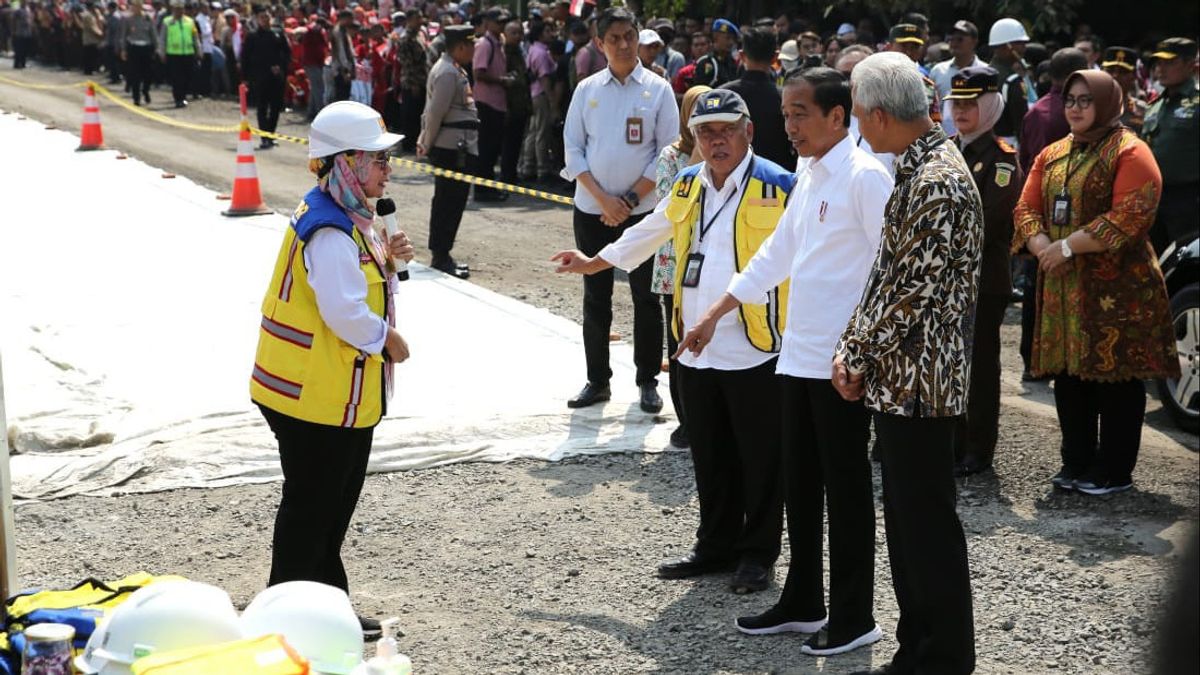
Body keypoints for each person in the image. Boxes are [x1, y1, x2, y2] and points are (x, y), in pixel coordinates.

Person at [681, 67, 891, 655]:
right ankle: (804, 600)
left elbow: (888, 269)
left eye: (800, 113)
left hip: (842, 365)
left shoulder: (865, 177)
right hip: (797, 358)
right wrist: (717, 310)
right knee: (801, 486)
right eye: (785, 112)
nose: (788, 124)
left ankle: (854, 617)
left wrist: (862, 350)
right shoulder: (811, 172)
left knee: (846, 493)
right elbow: (779, 253)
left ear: (837, 116)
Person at [554, 89, 793, 595]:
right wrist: (593, 261)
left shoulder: (780, 186)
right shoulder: (687, 184)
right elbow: (649, 232)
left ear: (748, 130)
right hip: (695, 345)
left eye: (727, 129)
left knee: (760, 457)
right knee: (709, 451)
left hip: (756, 344)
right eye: (706, 132)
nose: (716, 140)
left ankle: (757, 553)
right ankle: (715, 544)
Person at [837, 52, 981, 675]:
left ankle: (943, 657)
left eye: (860, 118)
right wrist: (853, 347)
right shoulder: (917, 168)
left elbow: (907, 291)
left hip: (921, 380)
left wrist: (857, 351)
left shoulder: (936, 180)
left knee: (924, 527)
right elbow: (885, 274)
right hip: (902, 379)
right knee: (905, 522)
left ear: (878, 113)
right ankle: (917, 647)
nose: (859, 132)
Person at [250, 100, 412, 638]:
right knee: (311, 512)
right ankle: (289, 620)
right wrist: (385, 339)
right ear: (347, 163)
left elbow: (359, 280)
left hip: (326, 392)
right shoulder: (329, 226)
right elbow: (343, 309)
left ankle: (325, 609)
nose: (388, 169)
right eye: (378, 159)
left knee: (326, 510)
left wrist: (390, 260)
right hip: (311, 395)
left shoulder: (345, 212)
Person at [1014, 69, 1179, 495]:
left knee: (1116, 379)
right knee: (1070, 376)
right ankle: (1077, 461)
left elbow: (1132, 212)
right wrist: (1042, 246)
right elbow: (1026, 207)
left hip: (1117, 290)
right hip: (1063, 286)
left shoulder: (1130, 150)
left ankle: (1114, 471)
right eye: (1070, 99)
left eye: (1086, 100)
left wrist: (1065, 247)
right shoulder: (1053, 153)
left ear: (1106, 102)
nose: (1075, 107)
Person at [559, 7, 678, 413]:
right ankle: (598, 380)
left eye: (630, 35)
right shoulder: (587, 89)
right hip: (592, 208)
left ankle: (647, 379)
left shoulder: (658, 89)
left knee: (646, 297)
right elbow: (573, 148)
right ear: (600, 44)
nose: (624, 44)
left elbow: (667, 153)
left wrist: (627, 201)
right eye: (615, 38)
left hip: (641, 212)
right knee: (597, 296)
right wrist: (602, 198)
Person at [944, 67, 1022, 476]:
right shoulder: (945, 149)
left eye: (971, 103)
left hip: (983, 280)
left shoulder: (1002, 160)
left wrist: (938, 237)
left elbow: (989, 220)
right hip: (946, 279)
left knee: (980, 366)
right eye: (956, 103)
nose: (961, 111)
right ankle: (953, 440)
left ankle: (978, 446)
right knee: (950, 361)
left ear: (990, 105)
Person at [1016, 47, 1089, 380]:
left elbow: (1025, 161)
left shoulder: (1038, 113)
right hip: (1074, 218)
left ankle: (1034, 359)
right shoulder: (1089, 112)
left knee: (1038, 285)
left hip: (1041, 216)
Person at [650, 84, 711, 451]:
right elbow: (667, 205)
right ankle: (686, 421)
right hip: (675, 264)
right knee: (678, 346)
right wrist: (695, 161)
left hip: (712, 267)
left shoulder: (729, 155)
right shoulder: (671, 156)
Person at [417, 24, 477, 280]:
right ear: (461, 46)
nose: (474, 50)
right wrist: (425, 142)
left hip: (460, 147)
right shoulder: (446, 73)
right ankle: (440, 255)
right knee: (447, 202)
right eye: (471, 45)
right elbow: (434, 113)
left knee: (454, 202)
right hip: (451, 149)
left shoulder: (454, 70)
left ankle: (444, 253)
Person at [1142, 38, 1199, 254]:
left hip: (1187, 200)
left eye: (1169, 62)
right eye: (1158, 63)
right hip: (1153, 198)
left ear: (1190, 65)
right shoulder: (1155, 105)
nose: (1160, 68)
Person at [721, 27, 791, 170]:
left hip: (731, 176)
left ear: (741, 55)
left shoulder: (724, 95)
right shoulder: (785, 98)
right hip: (777, 179)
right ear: (775, 57)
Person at [471, 7, 509, 202]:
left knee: (493, 149)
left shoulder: (499, 42)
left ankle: (488, 187)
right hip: (486, 103)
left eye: (504, 22)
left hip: (497, 103)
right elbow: (479, 73)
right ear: (488, 22)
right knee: (486, 149)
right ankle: (482, 190)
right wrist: (502, 80)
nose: (502, 25)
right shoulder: (485, 44)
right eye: (498, 21)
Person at [241, 8, 289, 149]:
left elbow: (286, 52)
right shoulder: (252, 36)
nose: (265, 20)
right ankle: (264, 137)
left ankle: (271, 135)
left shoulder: (278, 33)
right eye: (262, 17)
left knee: (275, 107)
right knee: (262, 107)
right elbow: (245, 58)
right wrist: (245, 77)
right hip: (259, 78)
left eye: (267, 17)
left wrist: (280, 66)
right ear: (257, 19)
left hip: (276, 77)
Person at [928, 20, 984, 135]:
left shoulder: (985, 72)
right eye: (951, 38)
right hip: (944, 142)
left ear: (974, 42)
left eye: (960, 39)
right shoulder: (938, 71)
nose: (954, 42)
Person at [521, 19, 557, 183]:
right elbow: (544, 78)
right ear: (540, 34)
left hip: (533, 94)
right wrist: (551, 99)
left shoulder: (533, 50)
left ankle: (528, 165)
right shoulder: (541, 53)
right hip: (541, 94)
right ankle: (542, 168)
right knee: (542, 132)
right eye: (548, 31)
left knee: (534, 131)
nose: (552, 34)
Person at [986, 17, 1031, 147]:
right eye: (1020, 43)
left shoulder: (983, 74)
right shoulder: (1012, 81)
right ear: (1007, 46)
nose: (1024, 48)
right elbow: (1021, 124)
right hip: (1009, 146)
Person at [394, 9, 430, 150]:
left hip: (422, 80)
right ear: (409, 20)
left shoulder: (420, 35)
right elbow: (407, 63)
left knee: (419, 113)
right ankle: (408, 144)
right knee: (410, 114)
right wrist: (414, 83)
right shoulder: (405, 38)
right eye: (417, 18)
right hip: (411, 82)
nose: (420, 21)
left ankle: (417, 141)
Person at [158, 0, 199, 108]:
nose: (179, 11)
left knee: (187, 77)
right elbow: (162, 38)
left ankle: (183, 96)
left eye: (181, 9)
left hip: (188, 53)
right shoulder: (167, 22)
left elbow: (195, 37)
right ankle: (178, 98)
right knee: (177, 78)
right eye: (176, 9)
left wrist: (199, 50)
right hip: (173, 54)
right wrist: (162, 53)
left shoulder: (190, 21)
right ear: (173, 9)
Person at [118, 0, 156, 105]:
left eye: (137, 6)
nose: (135, 8)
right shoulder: (128, 19)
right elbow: (124, 36)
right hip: (134, 48)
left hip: (146, 48)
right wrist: (123, 50)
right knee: (135, 74)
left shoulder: (148, 18)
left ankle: (145, 90)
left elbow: (153, 34)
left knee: (148, 74)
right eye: (134, 6)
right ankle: (136, 97)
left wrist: (156, 48)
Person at [1101, 46, 1146, 132]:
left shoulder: (1143, 110)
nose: (1115, 76)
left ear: (1134, 76)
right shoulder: (1090, 107)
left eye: (1123, 72)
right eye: (1110, 70)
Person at [694, 18, 738, 88]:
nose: (731, 42)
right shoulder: (707, 62)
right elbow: (700, 92)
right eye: (728, 38)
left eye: (733, 39)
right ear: (716, 37)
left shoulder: (732, 62)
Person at [300, 14, 329, 119]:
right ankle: (319, 113)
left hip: (314, 63)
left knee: (314, 88)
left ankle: (311, 111)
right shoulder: (312, 32)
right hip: (312, 63)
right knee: (318, 88)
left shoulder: (315, 32)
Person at [329, 9, 356, 102]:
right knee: (342, 97)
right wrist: (345, 70)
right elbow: (340, 52)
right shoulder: (338, 32)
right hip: (341, 69)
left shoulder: (344, 31)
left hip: (345, 68)